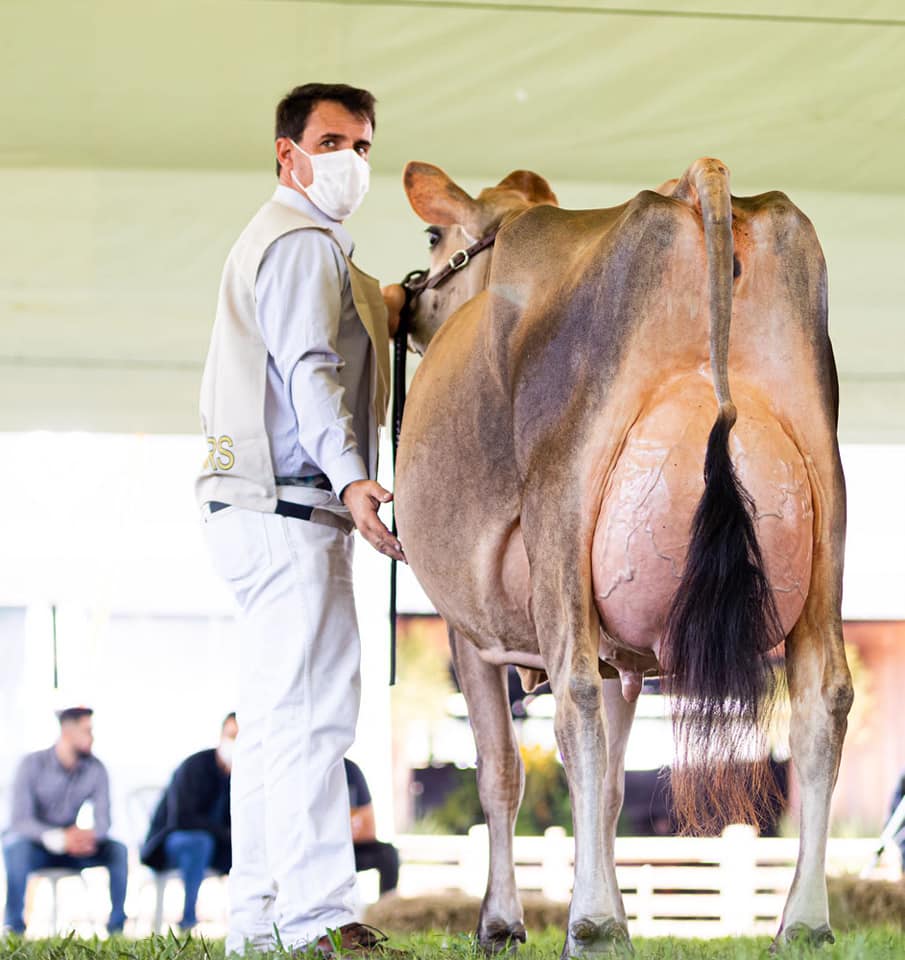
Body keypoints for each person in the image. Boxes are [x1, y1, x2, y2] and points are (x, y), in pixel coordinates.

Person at [196, 82, 404, 957]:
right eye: (330, 142)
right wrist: (355, 479)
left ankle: (255, 923)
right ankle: (319, 920)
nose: (349, 162)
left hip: (251, 504)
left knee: (276, 722)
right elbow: (311, 370)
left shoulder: (292, 243)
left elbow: (328, 337)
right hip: (290, 504)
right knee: (314, 719)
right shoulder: (296, 244)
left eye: (361, 145)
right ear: (287, 153)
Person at [2, 707, 127, 935]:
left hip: (76, 848)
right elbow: (20, 821)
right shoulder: (31, 764)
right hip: (37, 847)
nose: (93, 737)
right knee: (14, 847)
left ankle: (116, 926)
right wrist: (58, 837)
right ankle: (14, 927)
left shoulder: (96, 770)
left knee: (117, 850)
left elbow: (104, 821)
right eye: (87, 731)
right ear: (68, 732)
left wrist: (86, 836)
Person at [139, 713, 236, 930]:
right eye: (232, 735)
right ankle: (188, 921)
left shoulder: (239, 777)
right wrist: (224, 833)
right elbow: (181, 818)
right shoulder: (195, 766)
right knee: (199, 841)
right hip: (170, 843)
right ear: (221, 735)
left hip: (215, 847)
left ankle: (248, 921)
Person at [345, 759, 399, 897]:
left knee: (388, 854)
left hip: (347, 847)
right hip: (312, 849)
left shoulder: (349, 769)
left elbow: (369, 829)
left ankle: (386, 911)